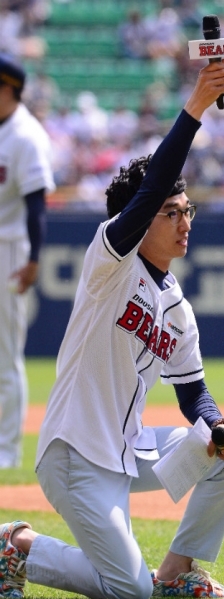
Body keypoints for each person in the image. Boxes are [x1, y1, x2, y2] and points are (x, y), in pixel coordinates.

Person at [0, 60, 224, 599]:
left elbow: (193, 394)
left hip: (129, 449)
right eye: (170, 212)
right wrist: (194, 110)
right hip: (75, 456)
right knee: (127, 591)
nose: (185, 221)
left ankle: (179, 570)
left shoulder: (178, 307)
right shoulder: (109, 265)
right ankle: (15, 543)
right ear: (141, 221)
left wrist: (214, 425)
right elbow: (152, 185)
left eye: (188, 211)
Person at [0, 52, 54, 468]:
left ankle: (6, 453)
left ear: (9, 90)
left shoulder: (25, 135)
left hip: (10, 249)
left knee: (4, 357)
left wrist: (35, 259)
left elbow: (37, 204)